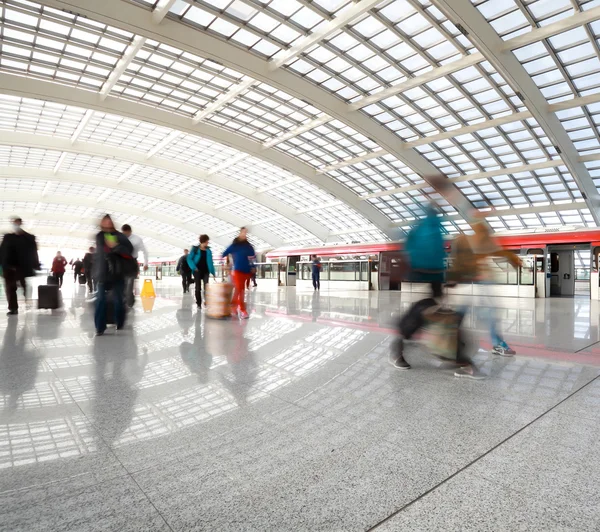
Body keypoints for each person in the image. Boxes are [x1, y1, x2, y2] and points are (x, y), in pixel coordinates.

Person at [93, 214, 134, 336]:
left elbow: (129, 250)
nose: (107, 223)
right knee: (100, 300)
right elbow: (100, 254)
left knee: (118, 299)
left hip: (117, 272)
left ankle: (120, 321)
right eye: (105, 221)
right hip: (102, 272)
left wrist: (116, 246)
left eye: (109, 221)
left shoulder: (120, 236)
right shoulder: (99, 236)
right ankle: (100, 328)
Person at [0, 217, 40, 316]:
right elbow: (1, 251)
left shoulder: (28, 238)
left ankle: (26, 293)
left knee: (22, 283)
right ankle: (13, 308)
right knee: (10, 287)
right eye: (14, 223)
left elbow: (33, 252)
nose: (15, 224)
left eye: (17, 222)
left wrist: (36, 264)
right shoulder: (8, 237)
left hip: (21, 267)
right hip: (8, 267)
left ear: (20, 223)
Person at [222, 227, 255, 319]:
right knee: (240, 289)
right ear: (240, 233)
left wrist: (253, 267)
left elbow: (252, 256)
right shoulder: (234, 246)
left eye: (246, 232)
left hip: (246, 270)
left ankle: (233, 307)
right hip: (237, 270)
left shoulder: (248, 246)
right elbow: (223, 254)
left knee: (239, 289)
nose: (244, 234)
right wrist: (224, 265)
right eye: (243, 232)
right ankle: (242, 310)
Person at [121, 224, 148, 308]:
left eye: (127, 233)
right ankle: (127, 299)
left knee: (129, 285)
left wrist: (146, 263)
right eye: (124, 233)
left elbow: (145, 251)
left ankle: (129, 302)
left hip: (132, 264)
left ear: (130, 231)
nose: (125, 235)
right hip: (122, 263)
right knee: (123, 285)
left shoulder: (137, 239)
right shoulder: (120, 238)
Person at [187, 235, 215, 308]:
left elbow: (211, 262)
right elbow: (189, 259)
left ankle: (207, 302)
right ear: (203, 241)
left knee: (207, 287)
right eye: (207, 241)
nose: (208, 242)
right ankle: (198, 303)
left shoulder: (208, 250)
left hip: (206, 271)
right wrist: (194, 267)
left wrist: (213, 272)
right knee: (198, 288)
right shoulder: (195, 249)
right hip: (197, 271)